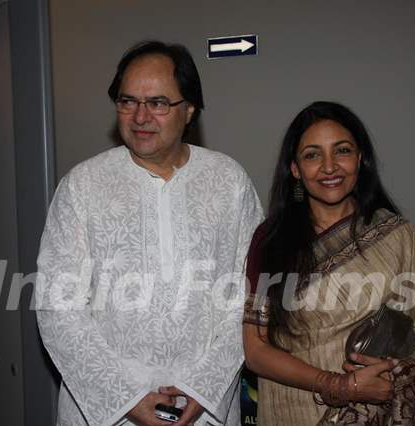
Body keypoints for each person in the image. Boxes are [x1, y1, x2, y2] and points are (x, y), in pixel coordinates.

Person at [36, 40, 263, 426]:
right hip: (107, 410)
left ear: (189, 109)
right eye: (127, 101)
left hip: (203, 409)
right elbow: (58, 307)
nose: (140, 116)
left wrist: (204, 389)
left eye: (158, 102)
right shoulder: (83, 185)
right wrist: (124, 398)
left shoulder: (229, 181)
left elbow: (249, 296)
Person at [242, 101, 415, 425]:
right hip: (297, 411)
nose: (329, 167)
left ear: (360, 158)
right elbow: (255, 351)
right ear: (294, 169)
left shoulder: (395, 235)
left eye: (342, 151)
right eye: (312, 155)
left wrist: (395, 375)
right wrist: (340, 385)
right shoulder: (270, 241)